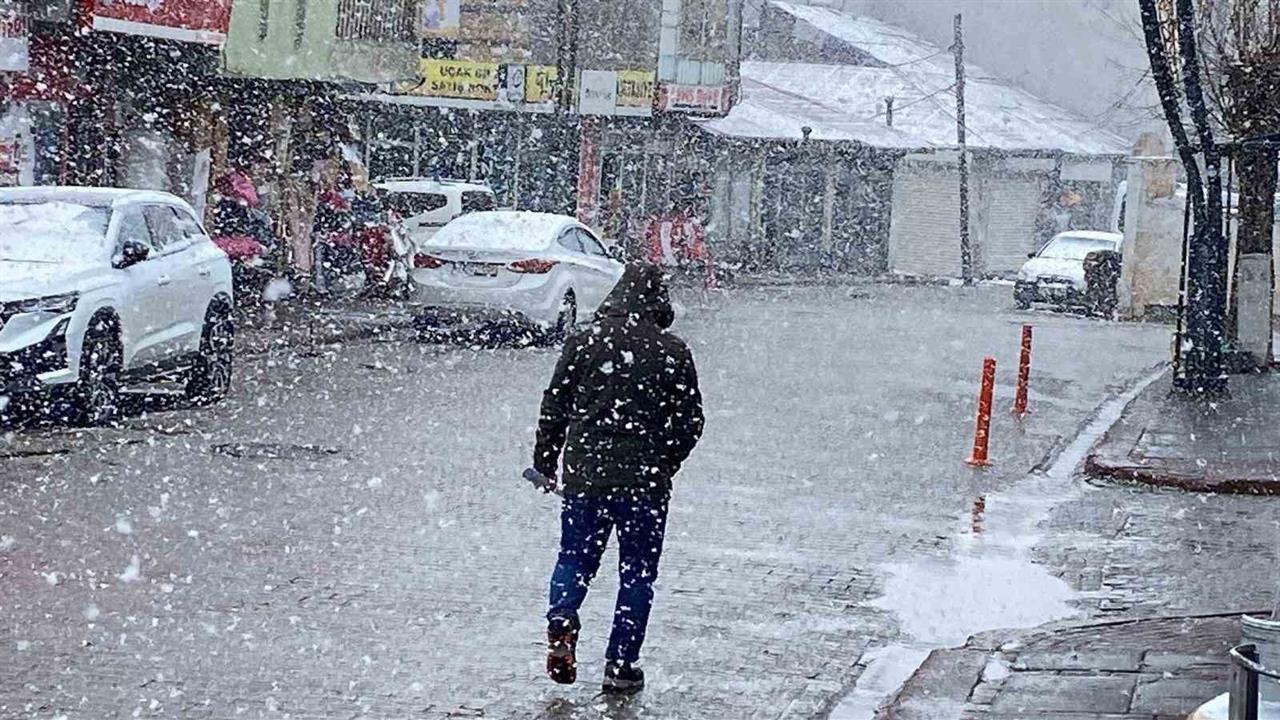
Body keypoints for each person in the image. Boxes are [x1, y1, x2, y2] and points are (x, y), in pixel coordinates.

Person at [532, 264, 705, 695]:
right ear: (658, 302)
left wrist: (546, 462)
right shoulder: (672, 351)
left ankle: (562, 616)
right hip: (644, 485)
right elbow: (691, 421)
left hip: (586, 478)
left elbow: (554, 406)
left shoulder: (584, 342)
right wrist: (663, 462)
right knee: (637, 575)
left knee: (574, 558)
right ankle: (621, 665)